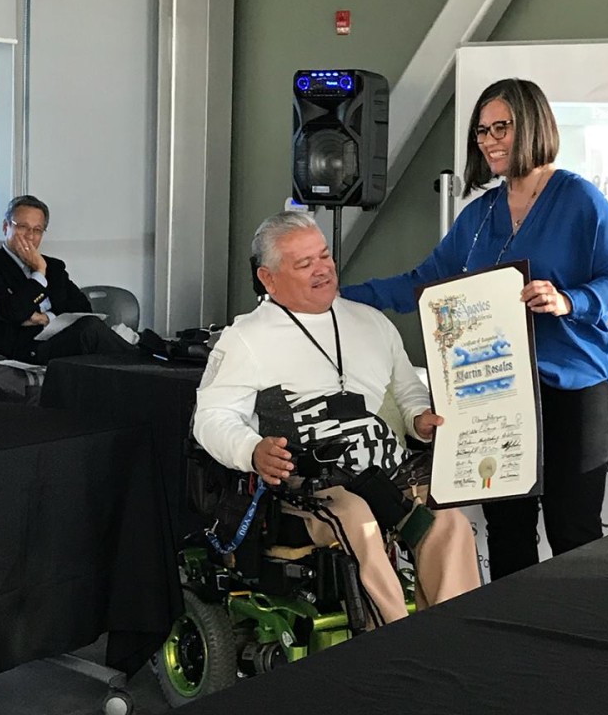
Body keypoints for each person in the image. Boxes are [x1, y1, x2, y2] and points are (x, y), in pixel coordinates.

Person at [342, 78, 608, 580]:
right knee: (508, 529)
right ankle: (511, 643)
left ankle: (579, 646)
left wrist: (568, 300)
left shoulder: (579, 200)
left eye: (503, 126)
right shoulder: (478, 214)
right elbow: (423, 283)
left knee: (572, 531)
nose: (490, 140)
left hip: (575, 387)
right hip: (497, 394)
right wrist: (341, 296)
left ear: (533, 126)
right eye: (482, 131)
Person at [193, 211, 480, 627]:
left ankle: (455, 638)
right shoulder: (246, 339)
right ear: (269, 279)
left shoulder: (372, 322)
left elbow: (406, 389)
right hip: (308, 484)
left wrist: (418, 417)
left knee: (446, 522)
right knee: (357, 521)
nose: (322, 270)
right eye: (305, 263)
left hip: (387, 473)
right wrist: (251, 449)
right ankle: (393, 642)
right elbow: (212, 417)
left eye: (324, 256)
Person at [0, 195, 135, 363]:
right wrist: (39, 274)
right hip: (22, 349)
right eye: (22, 227)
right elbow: (14, 312)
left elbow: (82, 307)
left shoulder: (54, 267)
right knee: (92, 332)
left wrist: (46, 318)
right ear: (6, 227)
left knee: (95, 331)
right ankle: (143, 363)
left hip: (59, 340)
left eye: (37, 230)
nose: (30, 236)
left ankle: (143, 361)